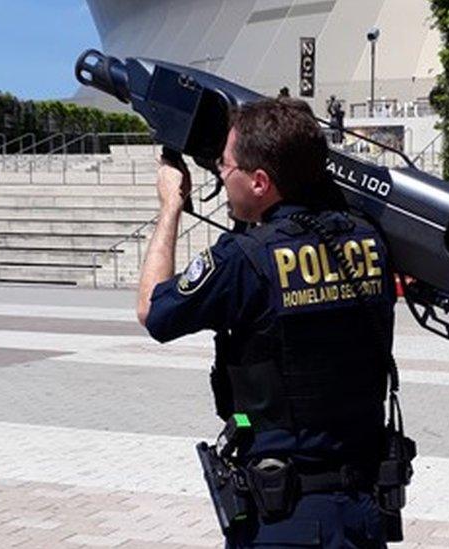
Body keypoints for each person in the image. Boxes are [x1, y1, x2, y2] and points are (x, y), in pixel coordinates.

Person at [137, 98, 398, 548]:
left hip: (286, 517)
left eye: (227, 166)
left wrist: (170, 207)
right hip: (362, 511)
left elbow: (153, 311)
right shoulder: (368, 238)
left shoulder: (245, 260)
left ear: (260, 182)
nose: (221, 173)